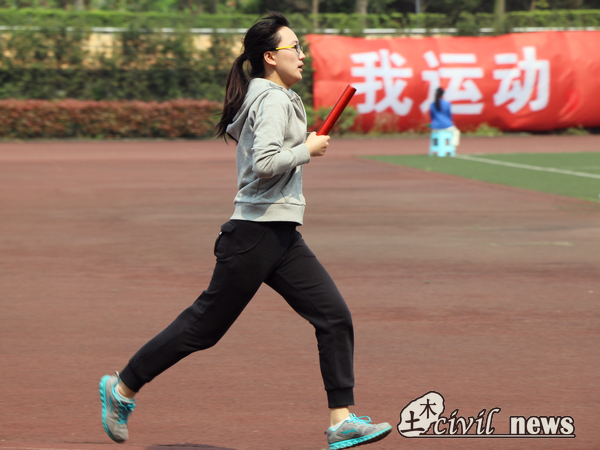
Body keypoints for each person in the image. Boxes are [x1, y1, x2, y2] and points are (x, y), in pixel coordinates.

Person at [98, 11, 392, 450]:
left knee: (333, 316)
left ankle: (341, 421)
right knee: (204, 328)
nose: (303, 55)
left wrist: (301, 147)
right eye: (295, 47)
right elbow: (266, 163)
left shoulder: (277, 96)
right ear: (270, 57)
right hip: (255, 234)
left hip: (281, 235)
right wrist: (307, 149)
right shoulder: (271, 100)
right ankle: (122, 388)